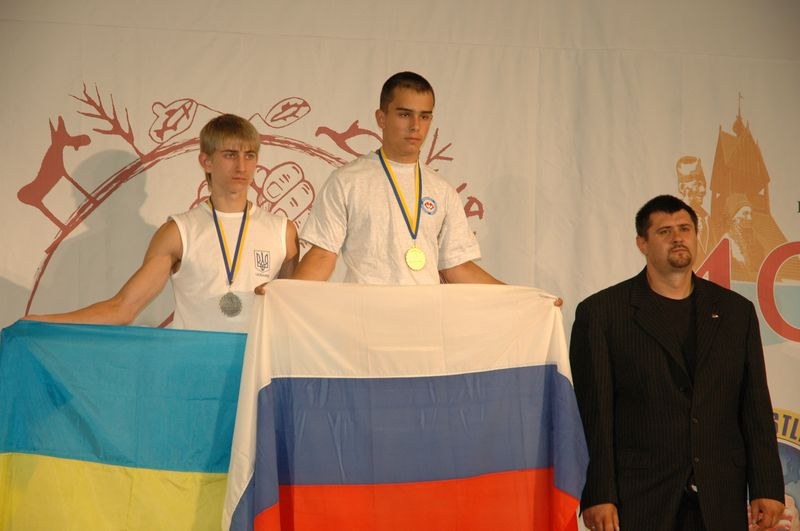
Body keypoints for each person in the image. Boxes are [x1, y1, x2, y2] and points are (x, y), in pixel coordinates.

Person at [569, 194, 784, 531]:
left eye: (685, 228)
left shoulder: (735, 312)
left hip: (720, 497)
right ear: (642, 243)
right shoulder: (602, 313)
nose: (678, 237)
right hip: (639, 498)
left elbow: (754, 404)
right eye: (664, 231)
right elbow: (594, 414)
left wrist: (768, 487)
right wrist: (598, 492)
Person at [25, 114, 298, 332]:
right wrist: (41, 321)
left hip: (258, 375)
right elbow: (123, 308)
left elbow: (295, 316)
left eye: (249, 155)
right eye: (230, 154)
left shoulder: (282, 231)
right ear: (206, 161)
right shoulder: (178, 232)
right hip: (193, 374)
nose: (241, 166)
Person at [291, 71, 503, 285]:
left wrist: (520, 297)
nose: (415, 125)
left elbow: (457, 267)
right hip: (367, 315)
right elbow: (322, 255)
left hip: (424, 315)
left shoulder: (442, 190)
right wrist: (283, 294)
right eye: (404, 114)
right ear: (381, 118)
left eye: (424, 116)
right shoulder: (347, 181)